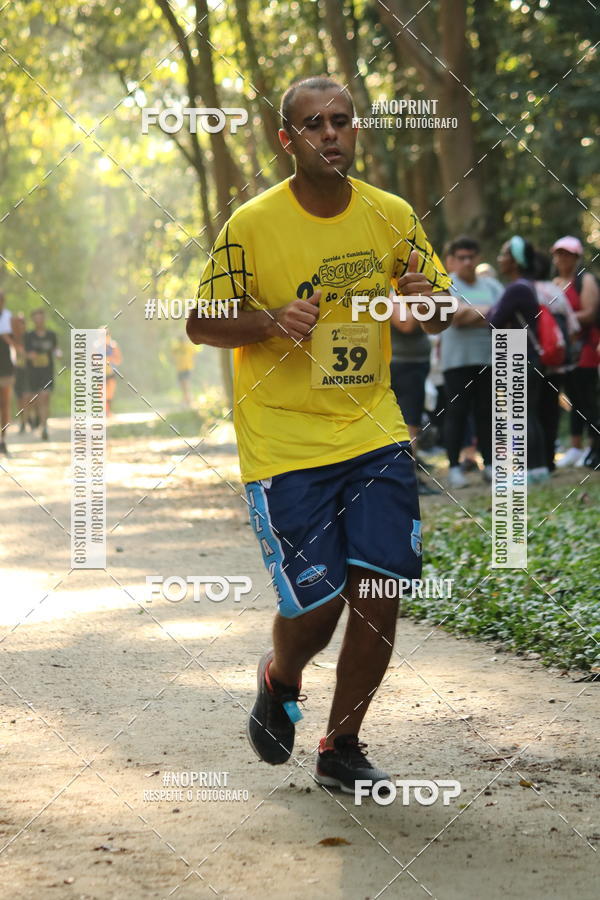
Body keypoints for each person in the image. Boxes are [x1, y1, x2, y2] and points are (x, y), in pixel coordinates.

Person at [187, 76, 454, 793]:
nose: (330, 133)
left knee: (381, 587)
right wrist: (270, 320)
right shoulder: (250, 224)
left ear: (356, 130)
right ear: (288, 139)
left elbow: (432, 310)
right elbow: (201, 323)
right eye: (313, 124)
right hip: (284, 444)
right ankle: (280, 678)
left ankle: (341, 746)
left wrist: (429, 305)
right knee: (318, 606)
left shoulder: (391, 214)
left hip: (373, 433)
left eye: (341, 121)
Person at [438, 237, 503, 488]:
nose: (467, 262)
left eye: (471, 257)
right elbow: (454, 316)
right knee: (456, 413)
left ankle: (490, 466)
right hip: (456, 361)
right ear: (451, 260)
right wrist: (489, 312)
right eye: (461, 257)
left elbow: (506, 313)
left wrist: (470, 311)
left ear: (478, 258)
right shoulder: (446, 284)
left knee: (487, 412)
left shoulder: (492, 284)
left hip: (488, 358)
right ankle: (454, 467)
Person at [490, 237, 548, 482]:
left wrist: (489, 311)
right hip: (531, 354)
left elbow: (493, 320)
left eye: (504, 255)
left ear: (515, 261)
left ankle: (528, 471)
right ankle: (539, 468)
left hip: (518, 353)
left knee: (521, 414)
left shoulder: (516, 288)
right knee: (529, 413)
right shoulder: (531, 285)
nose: (499, 259)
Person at [551, 236, 600, 468]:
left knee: (587, 399)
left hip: (586, 349)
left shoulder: (585, 280)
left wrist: (560, 320)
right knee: (573, 400)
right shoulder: (554, 283)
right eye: (559, 253)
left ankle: (594, 446)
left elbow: (589, 313)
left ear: (577, 256)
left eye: (568, 254)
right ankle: (575, 446)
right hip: (563, 354)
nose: (562, 258)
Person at [533, 252, 581, 472]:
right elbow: (572, 327)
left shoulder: (524, 290)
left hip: (531, 361)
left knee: (530, 410)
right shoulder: (555, 291)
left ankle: (534, 462)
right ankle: (549, 459)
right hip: (556, 361)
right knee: (550, 409)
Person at [389, 305, 440, 495]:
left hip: (416, 363)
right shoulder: (389, 291)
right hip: (400, 364)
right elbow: (406, 324)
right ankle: (408, 480)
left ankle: (409, 477)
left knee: (413, 424)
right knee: (408, 426)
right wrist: (427, 303)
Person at [24, 308, 60, 441]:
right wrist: (30, 355)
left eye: (41, 317)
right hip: (33, 373)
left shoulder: (51, 335)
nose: (39, 320)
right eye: (36, 318)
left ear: (44, 319)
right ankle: (36, 418)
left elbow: (56, 348)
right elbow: (23, 353)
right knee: (36, 400)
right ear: (33, 320)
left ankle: (44, 427)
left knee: (45, 397)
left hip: (47, 372)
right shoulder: (28, 336)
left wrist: (58, 353)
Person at [0, 291, 15, 455]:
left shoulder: (9, 318)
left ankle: (3, 439)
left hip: (5, 367)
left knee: (5, 404)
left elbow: (17, 340)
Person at [171, 336, 196, 407]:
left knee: (186, 383)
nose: (182, 341)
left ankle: (188, 400)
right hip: (179, 368)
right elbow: (173, 355)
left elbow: (194, 355)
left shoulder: (188, 347)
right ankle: (187, 399)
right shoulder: (177, 348)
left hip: (187, 368)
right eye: (181, 340)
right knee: (182, 385)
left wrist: (192, 364)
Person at [105, 331, 122, 416]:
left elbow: (118, 360)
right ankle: (104, 411)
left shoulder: (114, 346)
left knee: (110, 393)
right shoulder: (96, 346)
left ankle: (108, 411)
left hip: (111, 371)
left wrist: (110, 359)